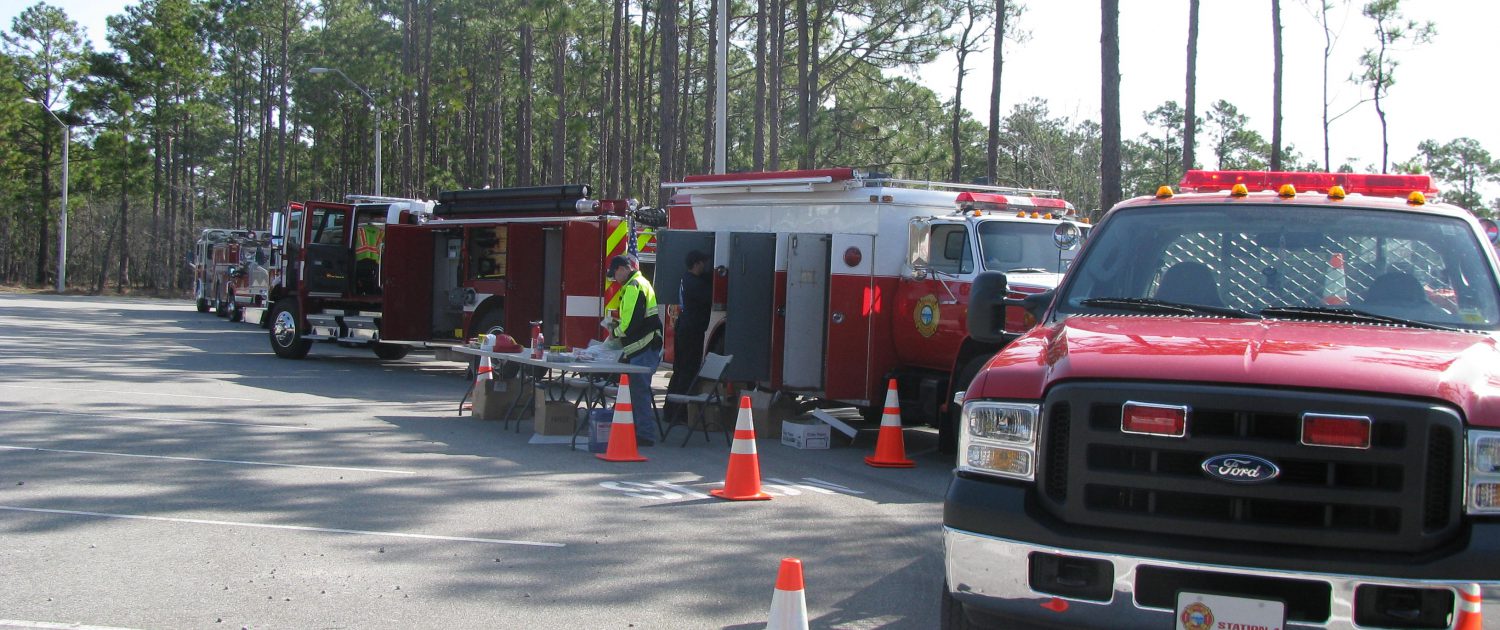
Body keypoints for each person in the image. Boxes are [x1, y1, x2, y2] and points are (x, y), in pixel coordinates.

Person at [606, 255, 663, 446]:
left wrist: (615, 331)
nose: (615, 279)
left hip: (643, 347)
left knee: (639, 391)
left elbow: (629, 324)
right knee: (637, 390)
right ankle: (637, 431)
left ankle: (644, 435)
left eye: (615, 274)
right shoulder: (641, 283)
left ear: (623, 268)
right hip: (645, 346)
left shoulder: (633, 286)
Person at [665, 250, 712, 424]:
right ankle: (678, 413)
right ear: (697, 263)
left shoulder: (687, 278)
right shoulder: (694, 283)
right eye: (702, 263)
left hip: (685, 328)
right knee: (687, 371)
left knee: (680, 370)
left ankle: (670, 411)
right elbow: (709, 295)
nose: (704, 266)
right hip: (691, 330)